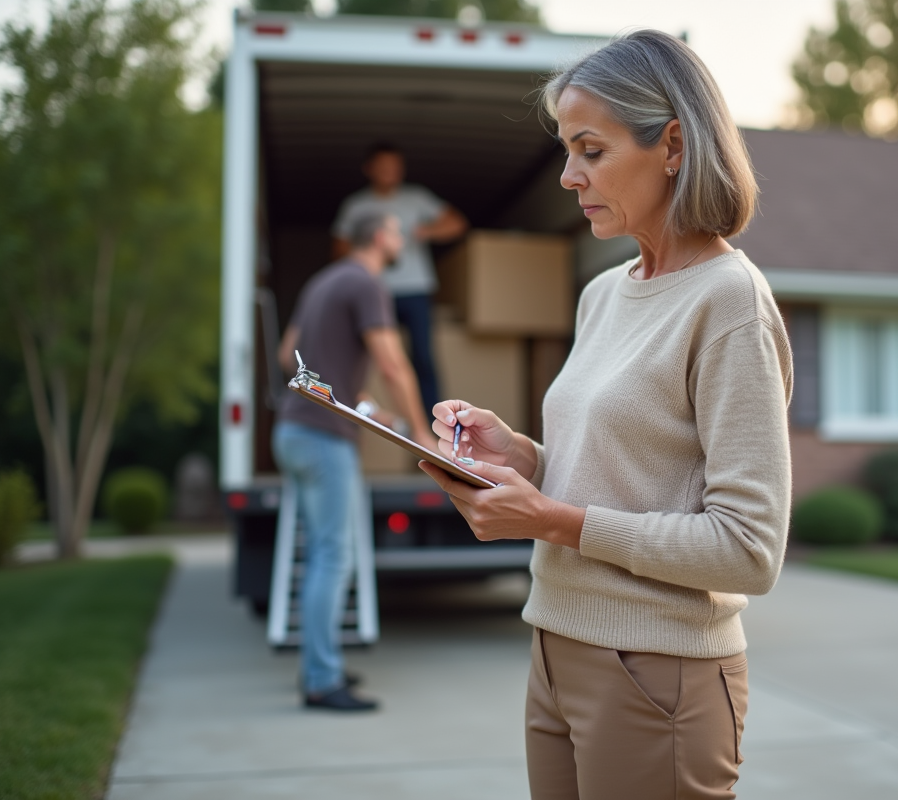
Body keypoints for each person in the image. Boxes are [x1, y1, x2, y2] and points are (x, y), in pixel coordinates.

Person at [418, 29, 792, 799]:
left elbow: (749, 550)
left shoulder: (730, 303)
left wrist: (552, 519)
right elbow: (618, 474)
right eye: (567, 149)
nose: (567, 175)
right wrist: (520, 457)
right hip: (555, 645)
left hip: (658, 675)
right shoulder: (603, 292)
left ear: (675, 145)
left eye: (591, 149)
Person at [275, 212, 432, 712]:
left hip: (293, 431)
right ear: (378, 237)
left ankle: (321, 667)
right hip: (323, 439)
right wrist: (422, 431)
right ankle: (322, 681)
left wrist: (358, 402)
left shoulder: (323, 281)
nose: (401, 235)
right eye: (395, 227)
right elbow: (392, 362)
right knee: (331, 556)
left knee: (322, 554)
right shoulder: (367, 282)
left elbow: (288, 356)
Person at [332, 142, 468, 414]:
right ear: (369, 169)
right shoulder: (356, 206)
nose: (390, 172)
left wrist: (426, 231)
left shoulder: (416, 198)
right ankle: (366, 412)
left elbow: (457, 223)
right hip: (374, 289)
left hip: (416, 290)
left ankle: (434, 420)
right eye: (383, 167)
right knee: (371, 358)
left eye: (395, 167)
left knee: (423, 357)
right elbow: (339, 248)